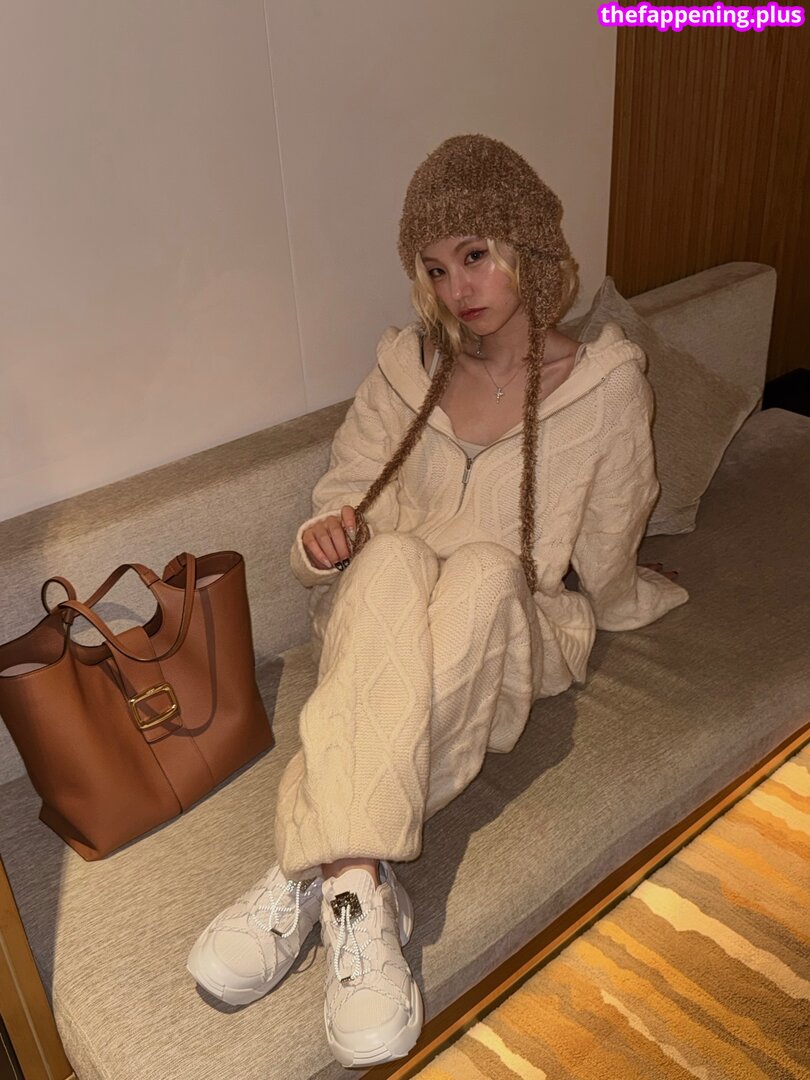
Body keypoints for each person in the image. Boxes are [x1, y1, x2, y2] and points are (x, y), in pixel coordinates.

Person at [186, 133, 689, 1068]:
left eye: (477, 254)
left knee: (489, 567)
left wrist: (628, 597)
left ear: (527, 246)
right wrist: (324, 537)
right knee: (389, 560)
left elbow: (614, 531)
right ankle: (352, 881)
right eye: (435, 266)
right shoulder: (404, 370)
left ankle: (308, 865)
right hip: (382, 612)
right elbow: (340, 494)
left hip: (506, 625)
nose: (458, 287)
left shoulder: (605, 388)